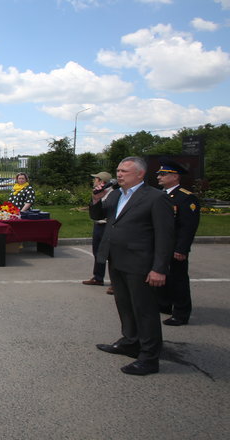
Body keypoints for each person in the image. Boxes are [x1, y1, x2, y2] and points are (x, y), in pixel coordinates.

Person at [90, 156, 174, 376]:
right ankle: (130, 341)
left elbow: (165, 237)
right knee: (124, 304)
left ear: (140, 174)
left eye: (124, 171)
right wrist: (97, 198)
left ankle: (149, 357)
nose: (119, 175)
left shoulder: (156, 198)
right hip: (116, 260)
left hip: (141, 264)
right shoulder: (116, 194)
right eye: (118, 170)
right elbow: (98, 215)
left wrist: (159, 268)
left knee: (144, 310)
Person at [155, 159, 200, 327]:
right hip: (160, 245)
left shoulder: (185, 198)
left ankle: (181, 313)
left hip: (175, 246)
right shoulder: (160, 195)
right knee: (161, 274)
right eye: (159, 174)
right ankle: (164, 304)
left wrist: (181, 248)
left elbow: (188, 227)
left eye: (163, 174)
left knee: (178, 279)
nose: (159, 177)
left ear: (175, 177)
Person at [82, 171, 114, 293]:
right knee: (97, 252)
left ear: (102, 181)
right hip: (99, 225)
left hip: (108, 226)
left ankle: (115, 283)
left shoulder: (113, 194)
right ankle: (98, 277)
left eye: (95, 179)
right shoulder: (98, 193)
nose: (93, 181)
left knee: (111, 255)